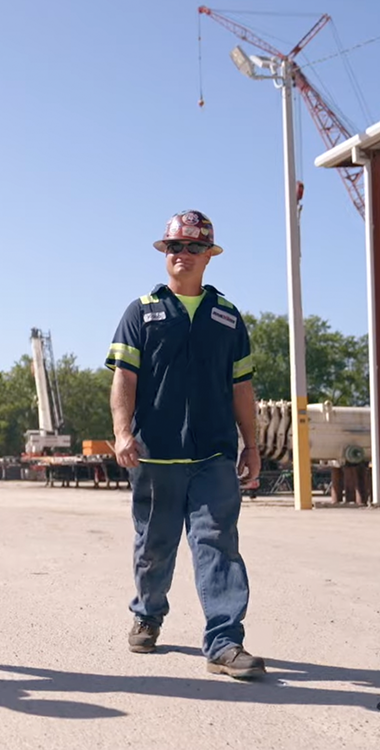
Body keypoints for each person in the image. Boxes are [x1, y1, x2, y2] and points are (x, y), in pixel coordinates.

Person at [106, 209, 266, 679]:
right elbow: (124, 380)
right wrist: (122, 433)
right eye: (175, 246)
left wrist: (251, 445)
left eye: (194, 247)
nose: (184, 254)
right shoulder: (142, 312)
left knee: (218, 542)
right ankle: (147, 614)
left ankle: (224, 642)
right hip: (155, 454)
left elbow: (242, 388)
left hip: (213, 454)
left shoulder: (227, 317)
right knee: (154, 546)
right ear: (165, 252)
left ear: (209, 255)